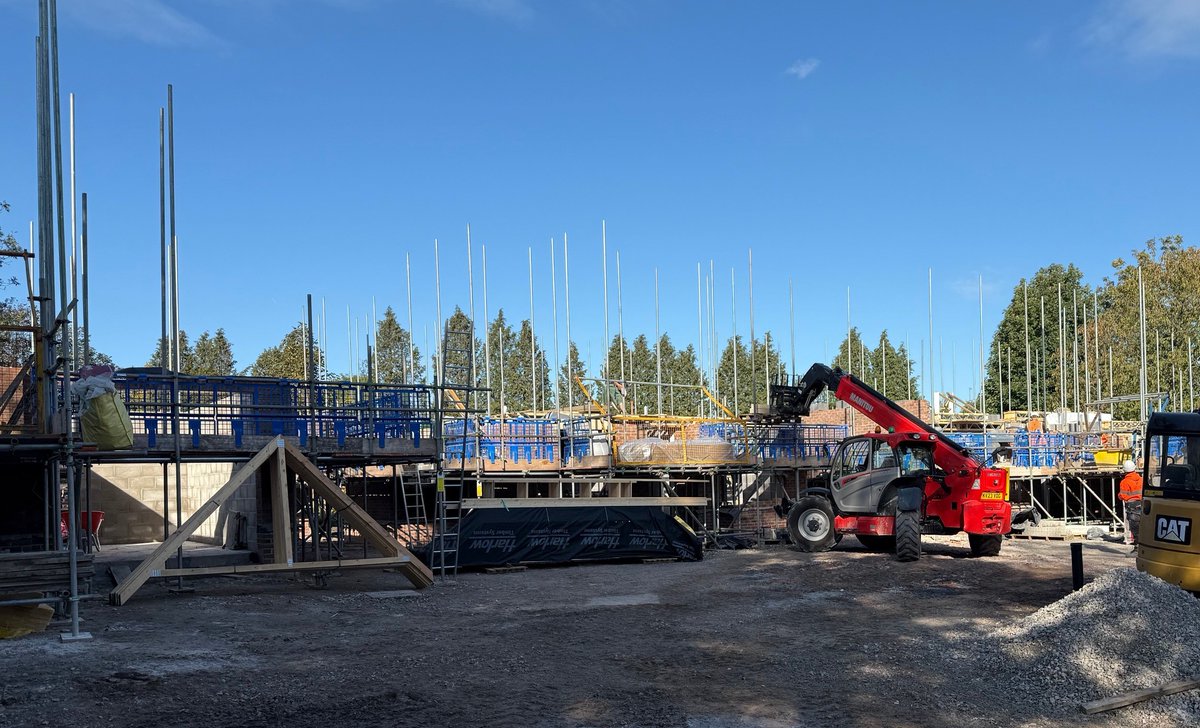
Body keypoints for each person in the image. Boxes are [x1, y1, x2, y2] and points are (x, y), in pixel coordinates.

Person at [1119, 459, 1143, 546]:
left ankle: (1136, 546)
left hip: (1132, 506)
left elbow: (1123, 496)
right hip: (1142, 504)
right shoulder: (1141, 479)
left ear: (1125, 471)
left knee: (1134, 527)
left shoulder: (1124, 482)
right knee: (1143, 525)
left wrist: (1119, 495)